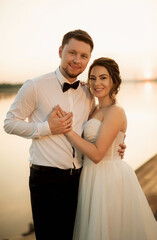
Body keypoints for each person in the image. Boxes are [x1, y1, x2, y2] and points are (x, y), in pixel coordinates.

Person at [3, 30, 125, 240]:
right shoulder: (35, 86)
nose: (77, 60)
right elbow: (9, 124)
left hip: (81, 178)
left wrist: (115, 145)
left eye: (84, 56)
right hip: (46, 179)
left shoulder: (88, 92)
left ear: (88, 59)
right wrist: (46, 128)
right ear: (61, 51)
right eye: (72, 53)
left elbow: (96, 128)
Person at [57, 57, 157, 240]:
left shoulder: (115, 111)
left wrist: (67, 130)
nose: (97, 83)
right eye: (93, 78)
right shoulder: (94, 109)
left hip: (108, 177)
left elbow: (97, 155)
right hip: (90, 175)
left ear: (114, 81)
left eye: (103, 78)